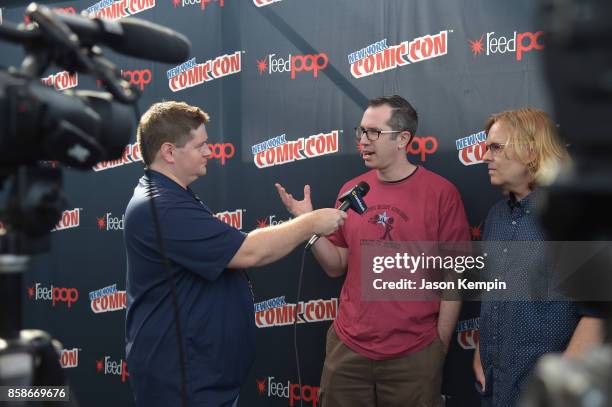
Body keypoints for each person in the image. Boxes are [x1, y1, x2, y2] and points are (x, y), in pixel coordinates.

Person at [123, 101, 347, 407]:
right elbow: (249, 252)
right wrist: (311, 222)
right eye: (200, 145)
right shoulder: (160, 205)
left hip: (200, 378)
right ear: (168, 152)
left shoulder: (173, 196)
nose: (209, 151)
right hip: (182, 384)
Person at [276, 95, 470, 407]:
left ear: (403, 139)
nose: (363, 141)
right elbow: (336, 264)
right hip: (348, 350)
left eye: (374, 133)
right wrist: (308, 222)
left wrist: (439, 347)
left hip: (415, 355)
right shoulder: (351, 190)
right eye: (361, 132)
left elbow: (453, 278)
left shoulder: (441, 194)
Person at [473, 108, 604, 407]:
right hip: (496, 387)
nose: (485, 156)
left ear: (530, 151)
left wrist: (560, 386)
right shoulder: (496, 216)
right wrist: (480, 352)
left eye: (495, 147)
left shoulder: (574, 216)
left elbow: (597, 314)